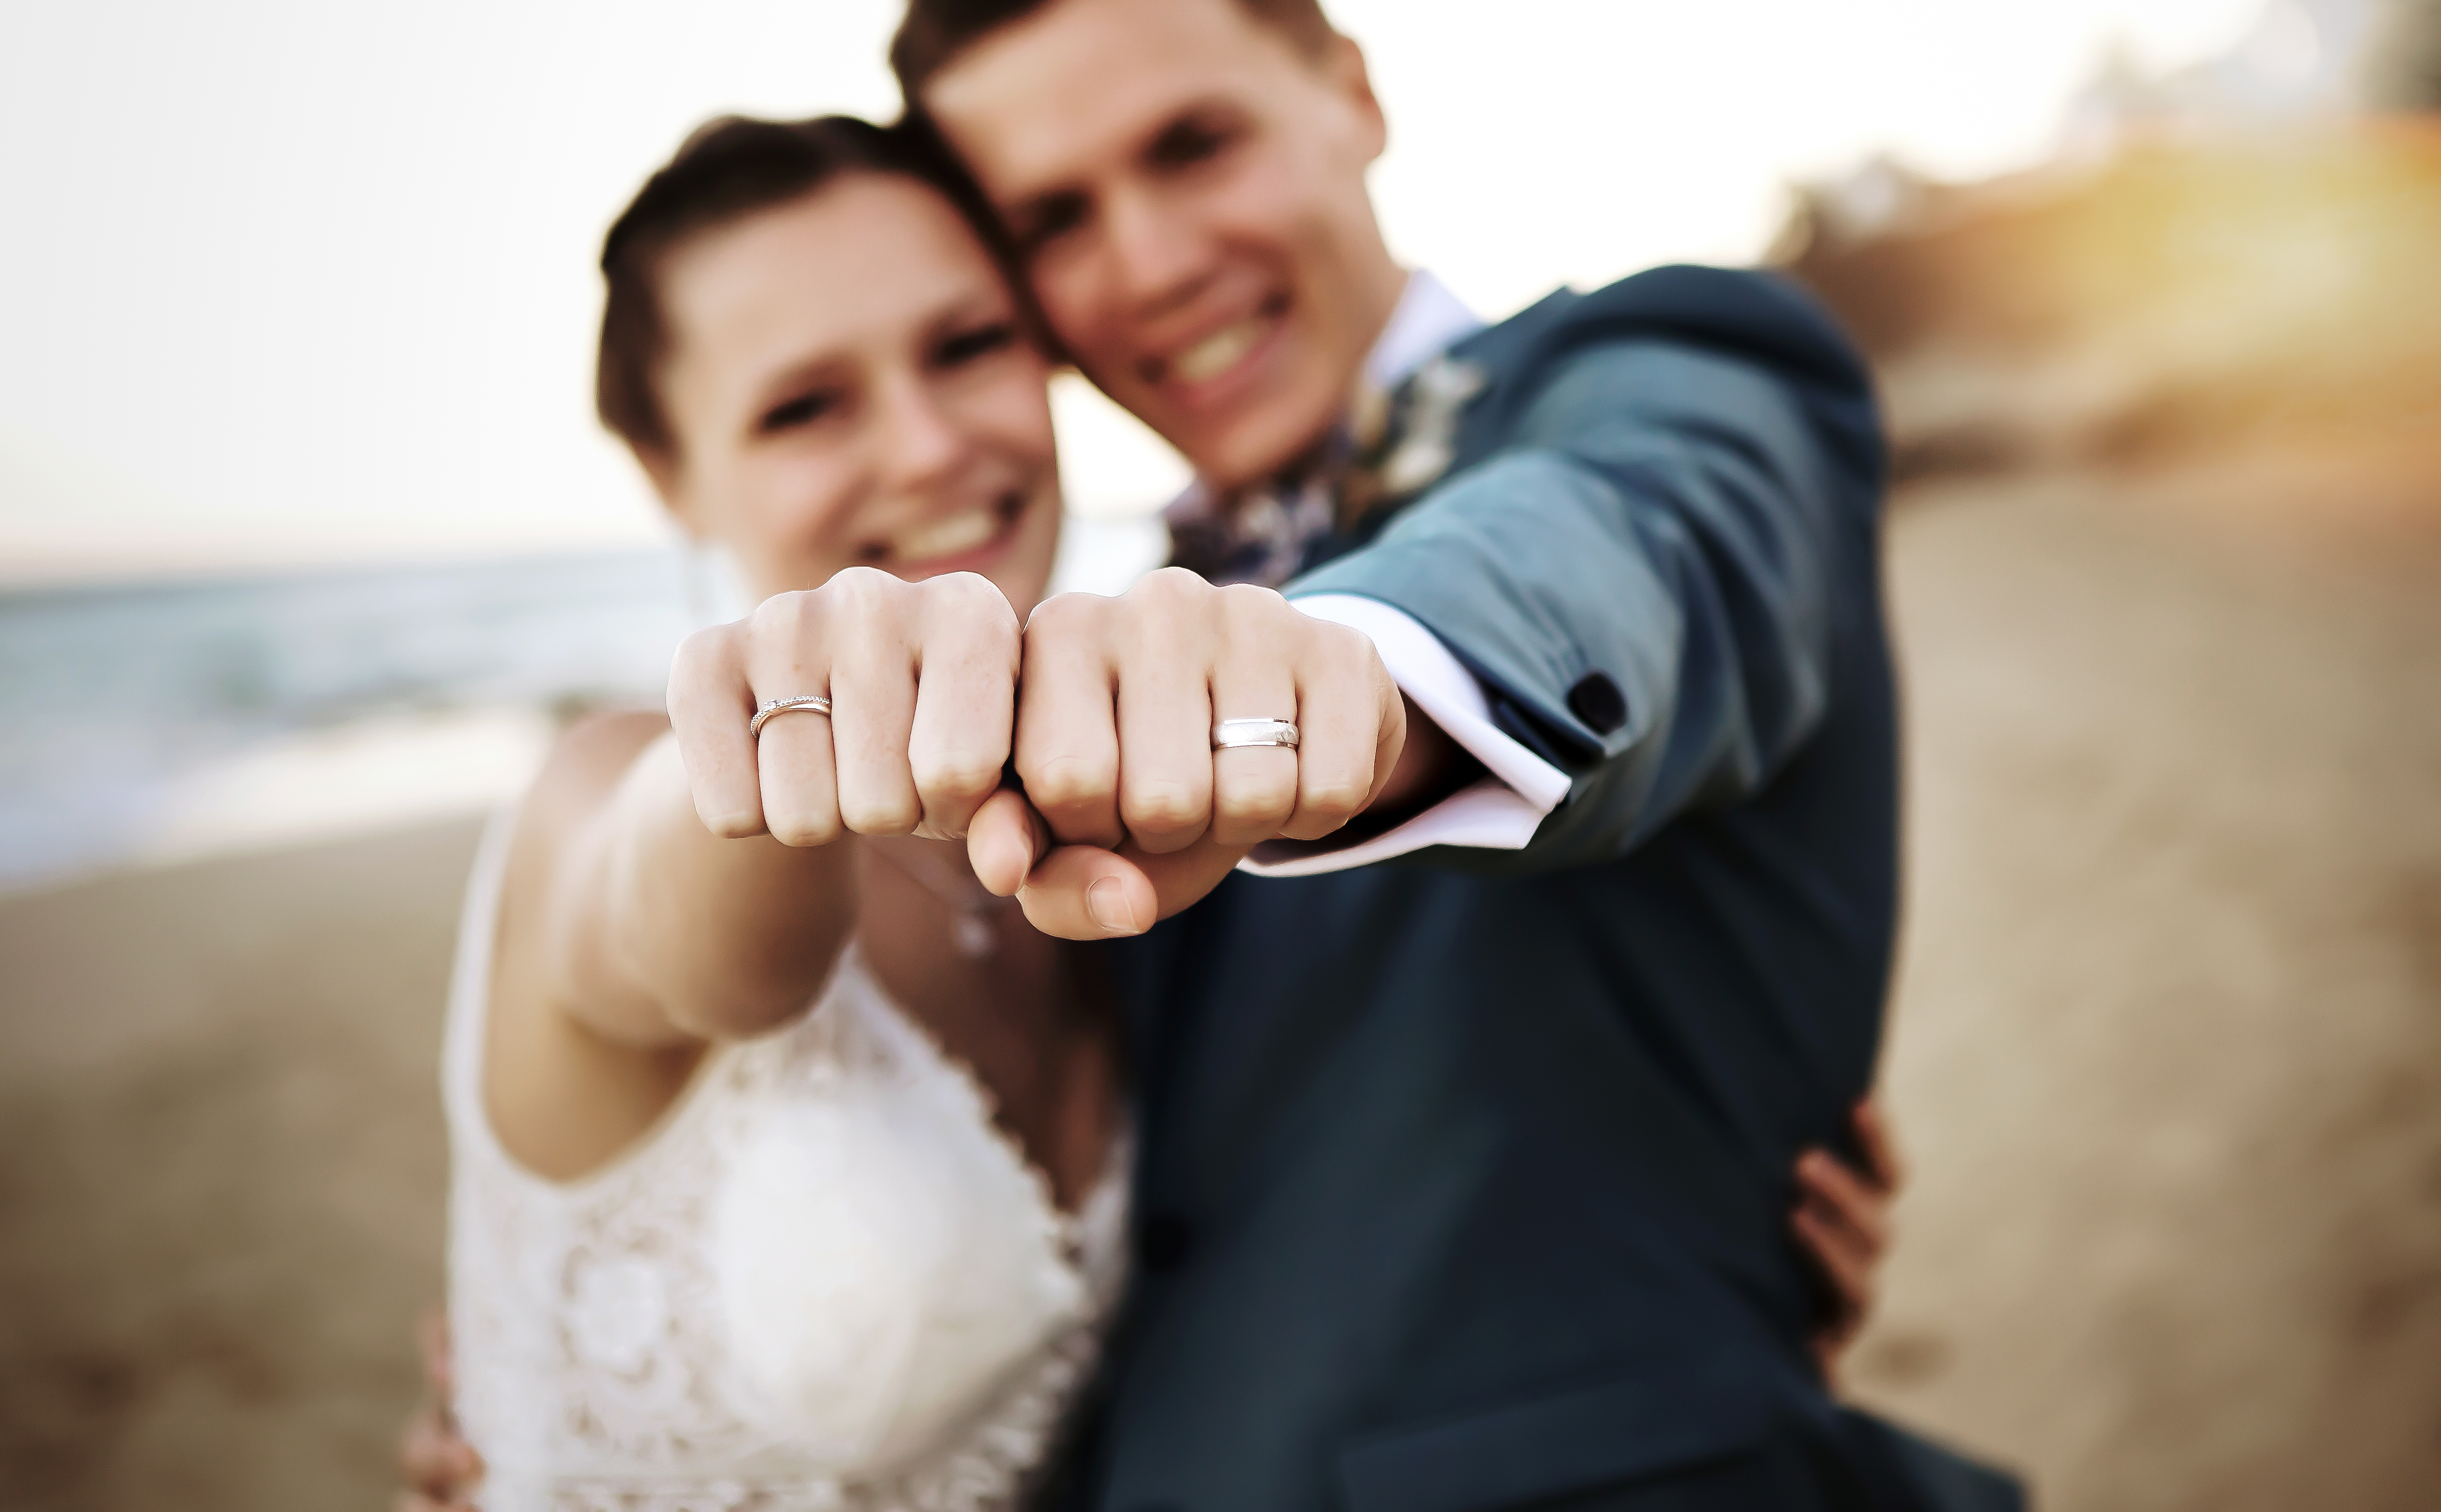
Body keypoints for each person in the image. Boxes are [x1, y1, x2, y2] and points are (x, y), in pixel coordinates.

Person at [404, 110, 1900, 1511]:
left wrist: (1696, 1263)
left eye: (968, 346)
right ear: (667, 474)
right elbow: (690, 935)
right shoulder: (609, 797)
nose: (925, 446)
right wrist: (747, 740)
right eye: (803, 407)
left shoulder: (1107, 816)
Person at [889, 0, 2029, 1508]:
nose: (1149, 264)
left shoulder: (1661, 376)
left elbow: (1622, 550)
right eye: (1053, 219)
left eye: (1194, 145)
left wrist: (1365, 678)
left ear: (1350, 92)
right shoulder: (1096, 650)